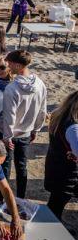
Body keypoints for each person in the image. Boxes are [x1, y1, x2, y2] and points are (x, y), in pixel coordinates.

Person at [0, 50, 47, 200]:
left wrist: (7, 137)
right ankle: (20, 197)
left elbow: (9, 116)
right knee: (22, 167)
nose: (8, 66)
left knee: (5, 167)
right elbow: (42, 110)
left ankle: (2, 197)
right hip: (26, 133)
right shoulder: (40, 84)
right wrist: (36, 130)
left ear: (19, 65)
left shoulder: (12, 88)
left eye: (10, 64)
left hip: (10, 134)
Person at [44, 91, 78, 220]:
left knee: (55, 204)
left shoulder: (58, 115)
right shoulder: (73, 128)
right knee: (55, 206)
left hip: (55, 166)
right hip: (66, 174)